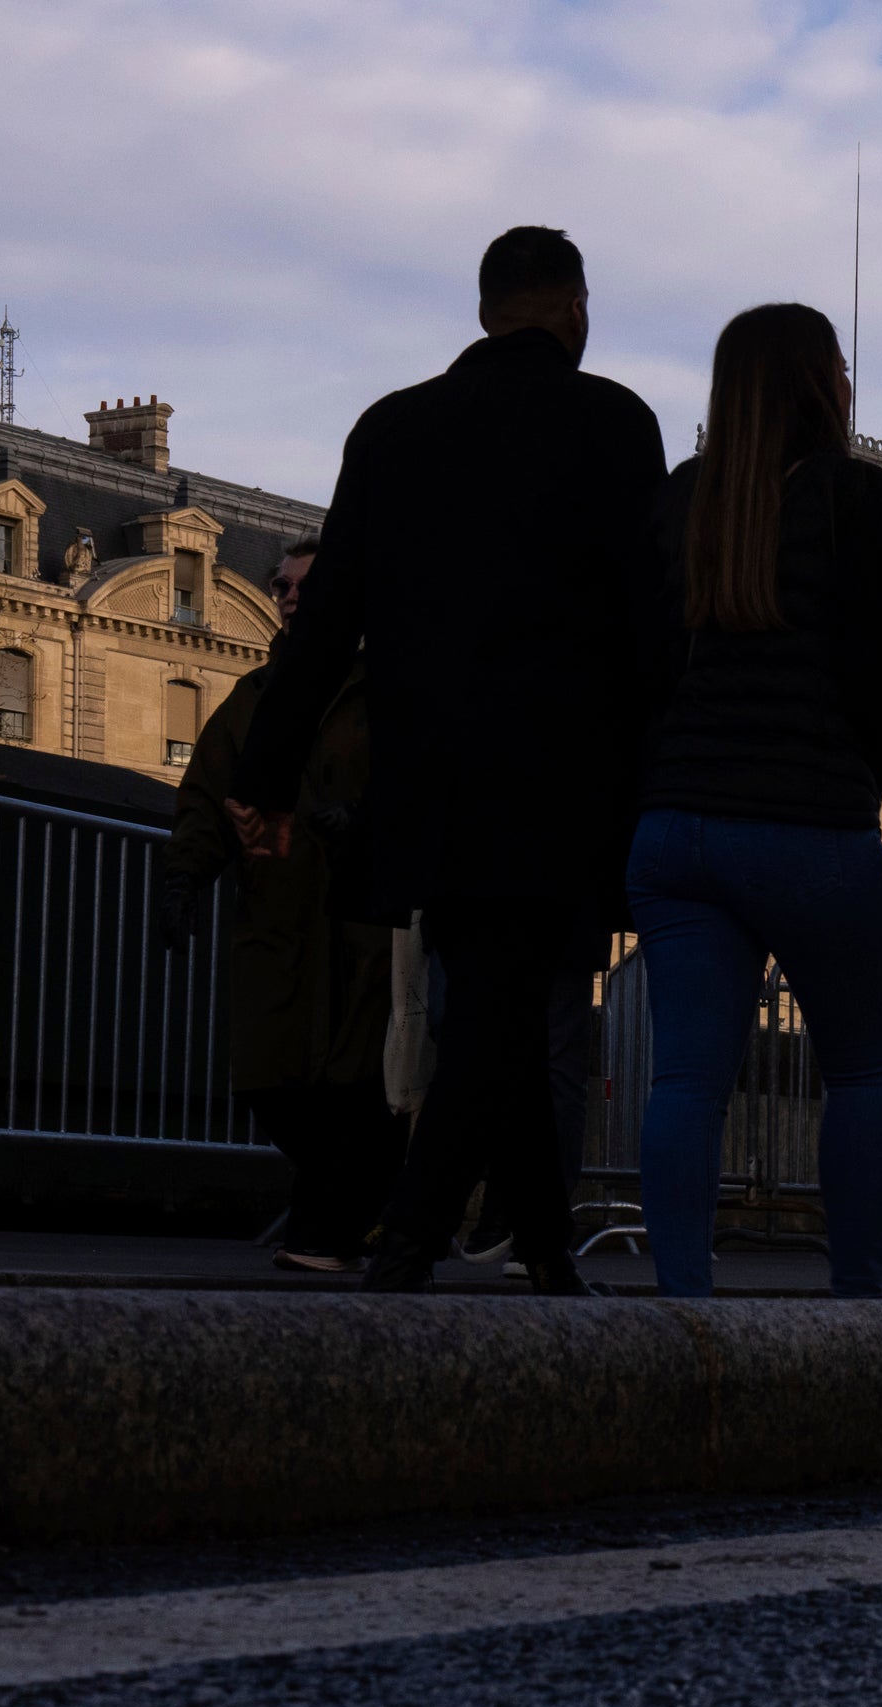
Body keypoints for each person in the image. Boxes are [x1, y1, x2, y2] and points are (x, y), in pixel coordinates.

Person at [236, 226, 667, 1294]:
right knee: (503, 1006)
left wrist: (265, 775)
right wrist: (659, 783)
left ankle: (547, 1254)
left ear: (484, 311)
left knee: (492, 998)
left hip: (427, 777)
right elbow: (650, 625)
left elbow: (327, 619)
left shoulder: (393, 428)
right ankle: (413, 1238)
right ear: (572, 309)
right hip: (561, 780)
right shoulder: (615, 424)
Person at [628, 303, 882, 1299]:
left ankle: (684, 1310)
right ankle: (856, 1306)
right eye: (838, 364)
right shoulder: (852, 494)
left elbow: (648, 671)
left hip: (676, 827)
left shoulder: (681, 499)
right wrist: (851, 790)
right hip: (807, 819)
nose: (847, 380)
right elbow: (875, 678)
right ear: (812, 381)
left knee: (687, 1081)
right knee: (863, 1071)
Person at [165, 540, 400, 1270]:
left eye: (307, 584)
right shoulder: (253, 698)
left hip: (366, 926)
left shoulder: (387, 690)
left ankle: (322, 1233)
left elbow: (420, 788)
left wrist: (360, 823)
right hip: (280, 918)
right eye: (281, 585)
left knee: (359, 1086)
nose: (290, 595)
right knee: (270, 1081)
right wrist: (181, 881)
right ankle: (362, 1214)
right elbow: (207, 796)